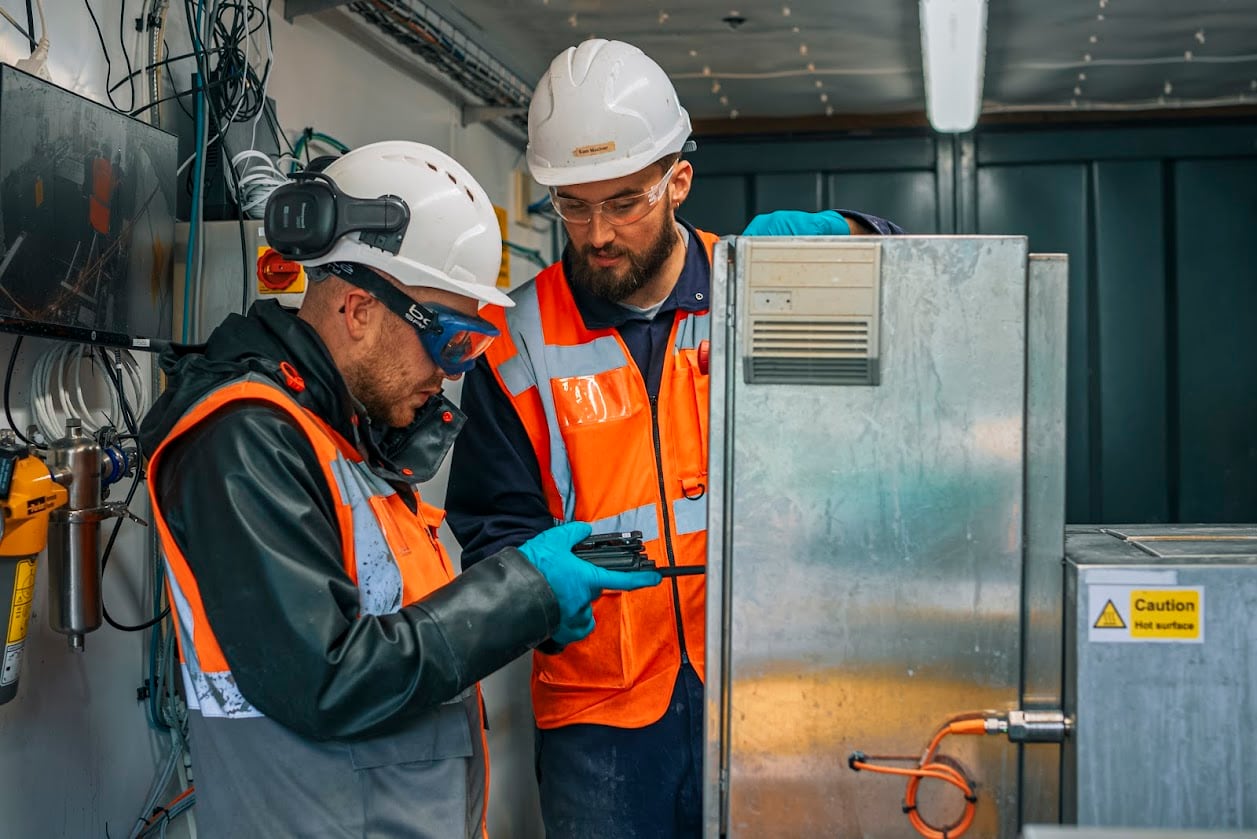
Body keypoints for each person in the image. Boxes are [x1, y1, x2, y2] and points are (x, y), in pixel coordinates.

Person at [445, 39, 904, 839]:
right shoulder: (512, 338)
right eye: (574, 205)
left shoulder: (758, 288)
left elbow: (929, 295)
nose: (596, 234)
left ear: (677, 181)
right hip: (600, 713)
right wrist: (543, 599)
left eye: (623, 202)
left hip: (765, 688)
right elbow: (491, 523)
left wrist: (857, 235)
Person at [138, 140, 660, 839]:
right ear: (357, 310)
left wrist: (530, 610)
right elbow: (329, 678)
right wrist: (527, 587)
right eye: (450, 340)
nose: (451, 374)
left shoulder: (342, 439)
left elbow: (401, 625)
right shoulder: (243, 441)